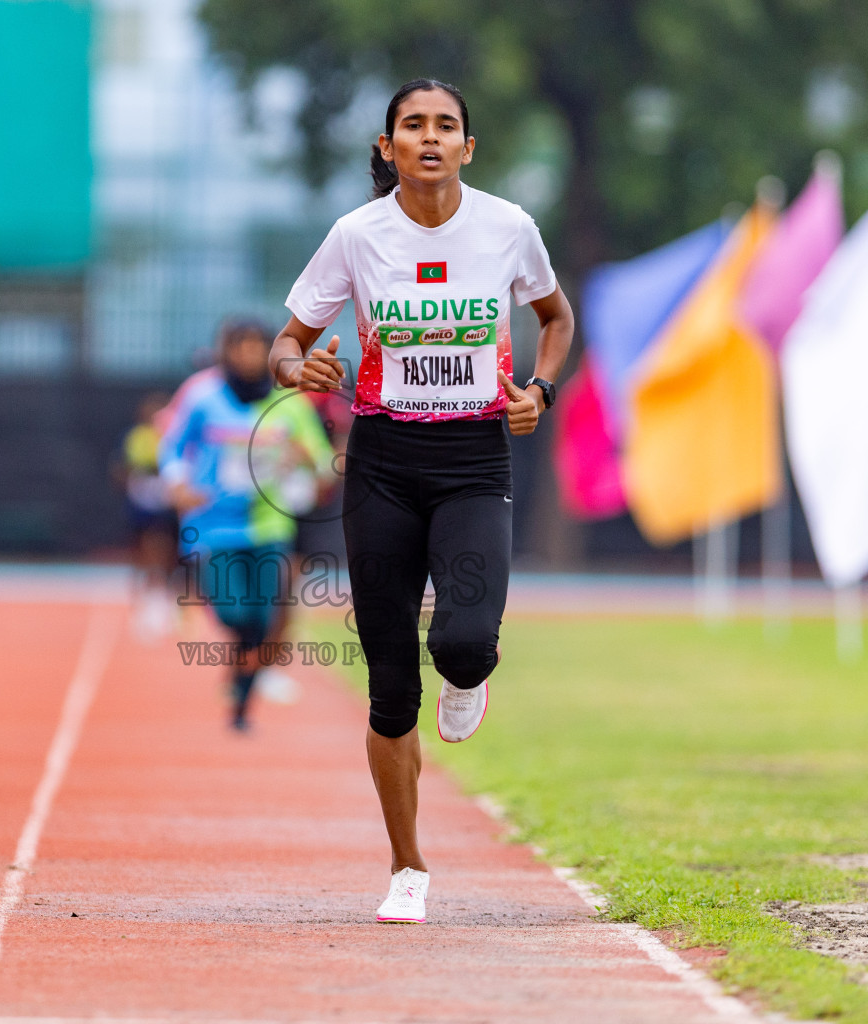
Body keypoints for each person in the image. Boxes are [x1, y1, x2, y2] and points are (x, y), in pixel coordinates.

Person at [269, 79, 574, 923]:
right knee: (390, 680)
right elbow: (287, 342)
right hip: (382, 462)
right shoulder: (357, 237)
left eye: (446, 126)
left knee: (467, 642)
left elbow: (556, 317)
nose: (430, 138)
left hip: (475, 459)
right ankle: (407, 866)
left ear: (468, 148)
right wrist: (302, 369)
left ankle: (470, 674)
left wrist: (539, 389)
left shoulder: (509, 228)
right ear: (387, 146)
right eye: (414, 126)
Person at [159, 318, 336, 730]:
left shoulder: (289, 402)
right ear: (225, 350)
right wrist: (177, 483)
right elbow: (171, 444)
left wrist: (300, 457)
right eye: (240, 347)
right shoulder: (201, 394)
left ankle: (241, 699)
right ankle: (241, 674)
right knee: (234, 613)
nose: (249, 355)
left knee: (261, 619)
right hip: (212, 524)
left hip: (268, 526)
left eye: (258, 347)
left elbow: (324, 464)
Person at [119, 392, 181, 642]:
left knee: (168, 546)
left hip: (165, 497)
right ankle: (143, 597)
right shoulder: (138, 436)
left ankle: (166, 597)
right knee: (143, 547)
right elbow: (131, 463)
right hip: (143, 499)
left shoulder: (171, 434)